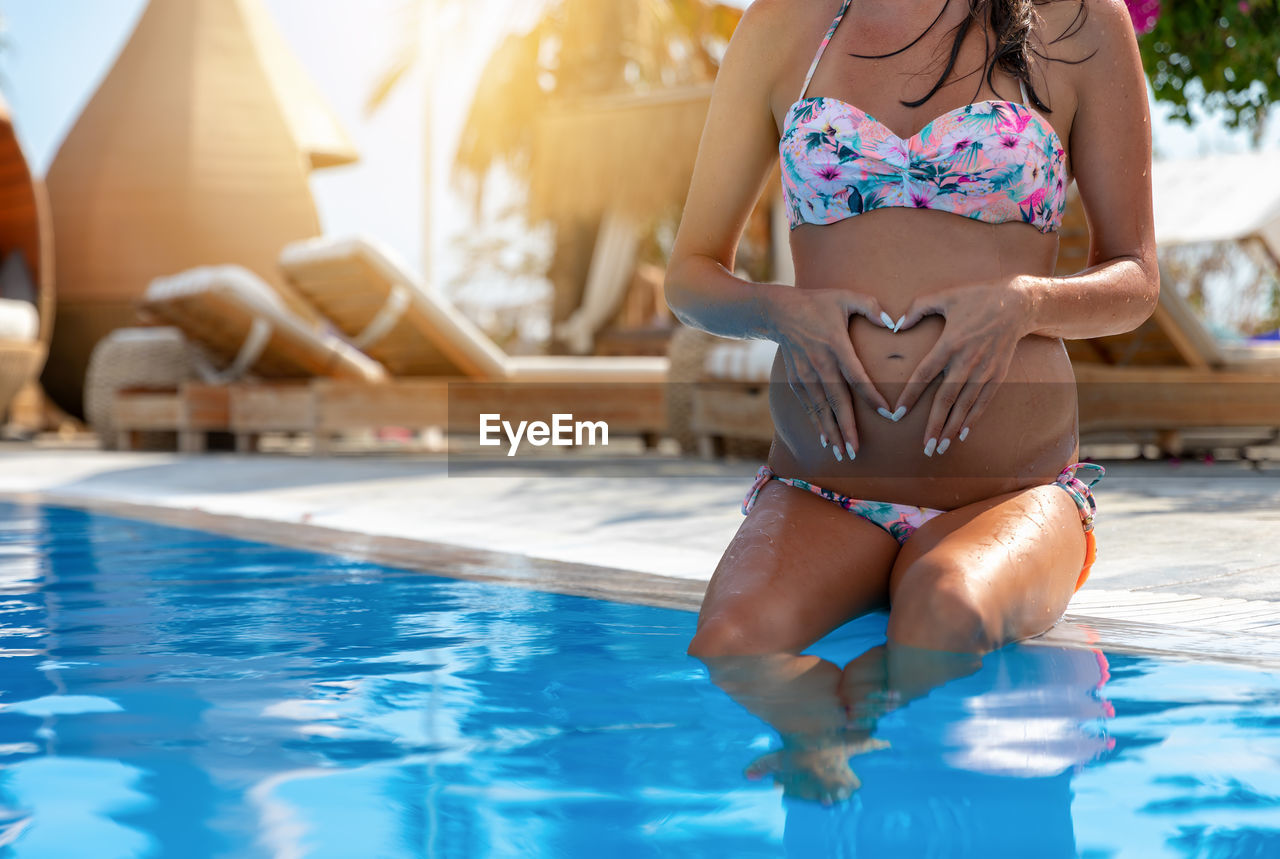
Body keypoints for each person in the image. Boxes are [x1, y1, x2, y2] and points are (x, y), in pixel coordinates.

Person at [663, 0, 1155, 801]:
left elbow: (1135, 276)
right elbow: (690, 276)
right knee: (732, 642)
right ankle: (840, 738)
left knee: (943, 611)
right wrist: (781, 309)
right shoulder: (783, 24)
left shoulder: (1078, 22)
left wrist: (1027, 301)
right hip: (824, 489)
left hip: (1012, 490)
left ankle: (849, 740)